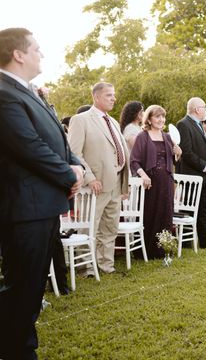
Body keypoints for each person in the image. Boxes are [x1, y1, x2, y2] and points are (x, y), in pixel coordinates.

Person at [0, 27, 84, 359]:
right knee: (21, 289)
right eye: (36, 49)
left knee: (33, 289)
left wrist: (76, 166)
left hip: (44, 206)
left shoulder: (31, 91)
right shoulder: (5, 94)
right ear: (18, 54)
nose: (41, 54)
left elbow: (58, 139)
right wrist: (68, 175)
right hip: (25, 208)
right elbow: (29, 147)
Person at [68, 82, 130, 274]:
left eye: (114, 95)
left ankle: (105, 264)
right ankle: (85, 267)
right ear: (96, 97)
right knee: (90, 227)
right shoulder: (81, 120)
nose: (114, 98)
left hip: (116, 182)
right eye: (109, 95)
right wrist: (89, 177)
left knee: (110, 227)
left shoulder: (113, 122)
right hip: (95, 184)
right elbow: (74, 153)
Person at [129, 105, 182, 258]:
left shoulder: (167, 137)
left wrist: (177, 153)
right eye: (157, 116)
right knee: (150, 214)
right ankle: (147, 251)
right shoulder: (142, 136)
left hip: (166, 182)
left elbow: (173, 162)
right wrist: (143, 175)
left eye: (163, 117)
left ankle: (163, 249)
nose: (161, 120)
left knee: (165, 214)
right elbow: (134, 161)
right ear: (149, 119)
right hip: (149, 184)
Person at [176, 97, 206, 249]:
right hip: (192, 175)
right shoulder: (184, 124)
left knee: (204, 209)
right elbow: (186, 152)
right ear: (197, 109)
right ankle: (189, 243)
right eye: (204, 107)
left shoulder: (198, 124)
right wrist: (204, 166)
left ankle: (205, 242)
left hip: (204, 175)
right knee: (191, 210)